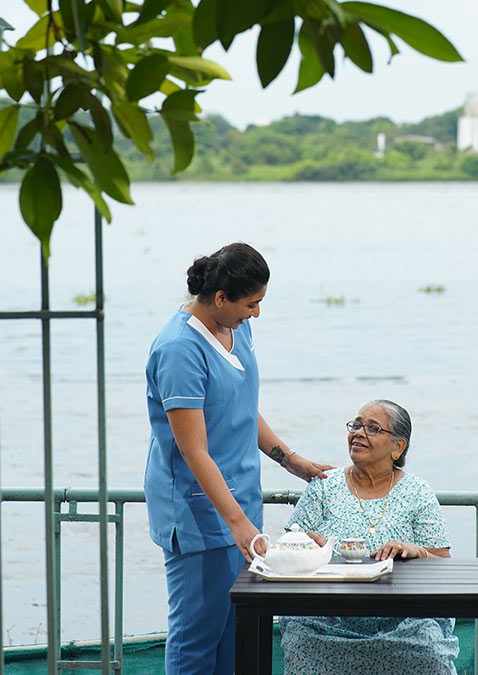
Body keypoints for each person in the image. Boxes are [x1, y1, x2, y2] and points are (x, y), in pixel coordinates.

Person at [143, 242, 334, 674]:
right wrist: (238, 524)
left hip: (239, 503)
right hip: (200, 512)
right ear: (220, 297)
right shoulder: (178, 350)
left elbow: (243, 407)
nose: (256, 314)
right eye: (251, 304)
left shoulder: (237, 328)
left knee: (235, 632)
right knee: (197, 634)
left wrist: (290, 460)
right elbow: (194, 451)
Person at [279, 399, 458, 674]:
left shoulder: (417, 491)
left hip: (403, 619)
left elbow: (442, 561)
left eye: (373, 428)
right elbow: (288, 545)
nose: (359, 433)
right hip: (328, 620)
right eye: (356, 425)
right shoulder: (325, 486)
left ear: (398, 447)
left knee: (428, 649)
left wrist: (417, 551)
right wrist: (310, 547)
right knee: (302, 641)